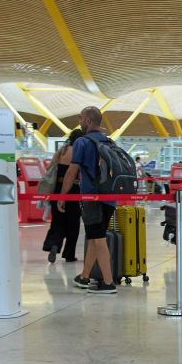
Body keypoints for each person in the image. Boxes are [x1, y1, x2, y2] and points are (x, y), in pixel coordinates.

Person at [58, 106, 116, 294]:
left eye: (81, 118)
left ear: (88, 121)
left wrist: (63, 195)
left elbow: (72, 170)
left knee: (98, 239)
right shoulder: (109, 142)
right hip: (110, 197)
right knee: (94, 236)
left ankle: (108, 282)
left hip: (92, 197)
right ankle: (84, 276)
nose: (80, 121)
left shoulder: (82, 142)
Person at [43, 129, 83, 263]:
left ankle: (54, 244)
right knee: (73, 222)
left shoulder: (62, 150)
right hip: (73, 189)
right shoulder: (78, 152)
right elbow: (73, 173)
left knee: (57, 221)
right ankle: (69, 253)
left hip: (57, 188)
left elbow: (50, 168)